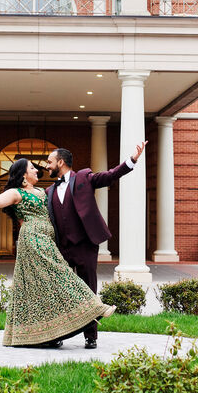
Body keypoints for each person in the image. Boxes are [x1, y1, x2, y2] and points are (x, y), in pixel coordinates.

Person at [0, 158, 116, 348]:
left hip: (48, 240)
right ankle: (94, 307)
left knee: (43, 287)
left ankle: (48, 334)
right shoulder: (15, 192)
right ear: (23, 175)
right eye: (32, 168)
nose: (37, 170)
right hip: (33, 240)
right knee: (61, 276)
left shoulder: (43, 192)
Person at [45, 141, 146, 349]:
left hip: (84, 245)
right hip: (61, 248)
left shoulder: (83, 178)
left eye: (50, 161)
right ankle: (59, 334)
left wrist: (132, 160)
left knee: (89, 290)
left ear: (61, 162)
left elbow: (110, 175)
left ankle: (91, 336)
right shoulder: (48, 191)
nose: (47, 165)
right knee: (60, 291)